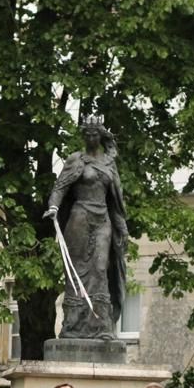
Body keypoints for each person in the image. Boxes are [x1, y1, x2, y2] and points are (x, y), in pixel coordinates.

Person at [42, 115, 129, 339]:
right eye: (87, 134)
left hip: (103, 219)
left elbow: (115, 201)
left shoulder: (109, 163)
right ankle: (72, 326)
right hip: (79, 217)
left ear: (100, 136)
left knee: (100, 269)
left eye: (94, 134)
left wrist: (122, 228)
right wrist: (53, 207)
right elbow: (60, 187)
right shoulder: (76, 160)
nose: (91, 138)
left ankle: (101, 327)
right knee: (77, 270)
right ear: (84, 136)